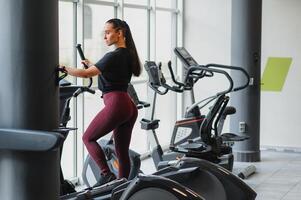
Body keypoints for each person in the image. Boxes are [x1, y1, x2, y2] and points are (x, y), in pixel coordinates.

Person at [59, 18, 141, 187]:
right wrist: (91, 64)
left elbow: (85, 74)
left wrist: (63, 68)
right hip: (128, 105)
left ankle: (107, 175)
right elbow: (109, 73)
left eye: (108, 32)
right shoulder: (127, 54)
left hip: (117, 103)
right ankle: (122, 186)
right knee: (121, 151)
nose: (105, 36)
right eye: (104, 33)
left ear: (120, 33)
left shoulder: (113, 55)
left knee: (88, 138)